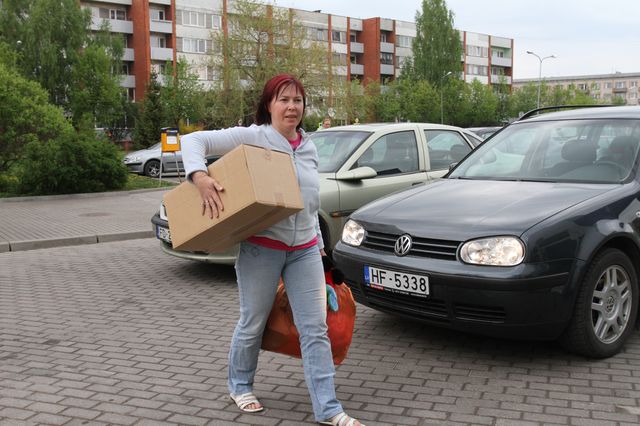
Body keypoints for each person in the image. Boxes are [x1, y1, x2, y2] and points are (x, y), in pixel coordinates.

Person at [181, 74, 365, 426]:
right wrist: (199, 177)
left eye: (297, 100)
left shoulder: (309, 147)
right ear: (269, 104)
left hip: (304, 250)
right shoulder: (254, 137)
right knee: (253, 321)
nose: (292, 107)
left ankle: (328, 409)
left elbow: (309, 205)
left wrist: (322, 251)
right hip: (261, 249)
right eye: (284, 99)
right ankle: (240, 386)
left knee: (315, 329)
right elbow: (193, 140)